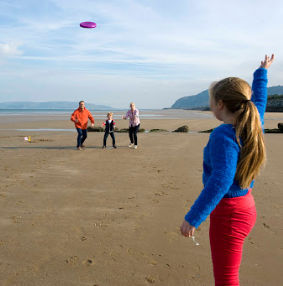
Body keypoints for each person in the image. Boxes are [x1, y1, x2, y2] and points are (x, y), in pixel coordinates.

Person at [180, 54, 274, 286]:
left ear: (219, 104)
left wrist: (194, 217)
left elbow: (221, 179)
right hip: (245, 207)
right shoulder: (252, 122)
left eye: (211, 99)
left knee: (226, 278)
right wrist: (261, 73)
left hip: (230, 213)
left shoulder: (224, 134)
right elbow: (259, 102)